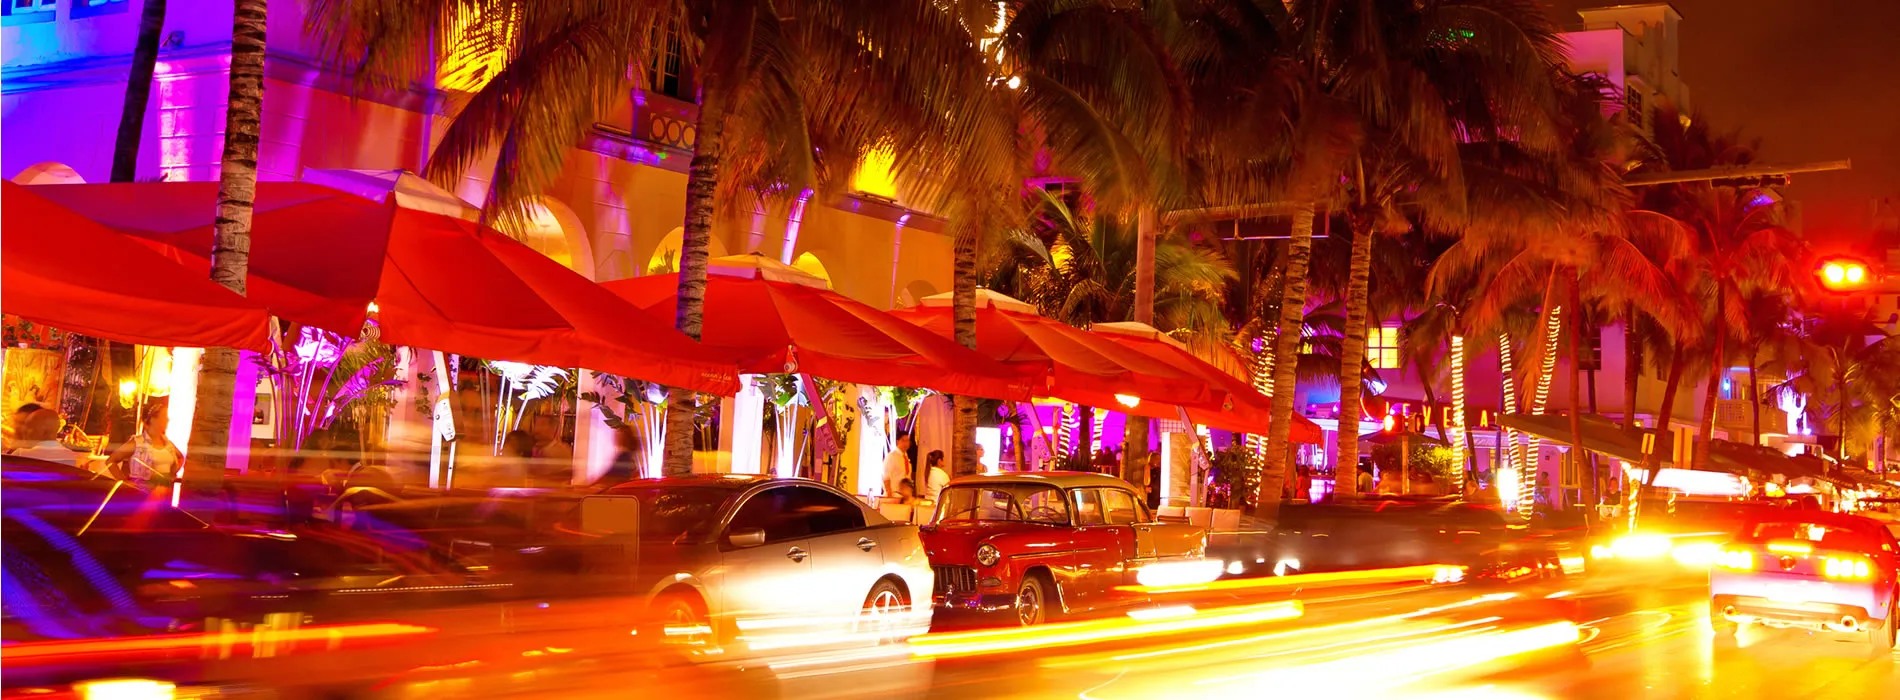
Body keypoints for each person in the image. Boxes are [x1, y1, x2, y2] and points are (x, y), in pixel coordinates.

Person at [12, 409, 79, 466]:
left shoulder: (21, 455)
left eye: (29, 427)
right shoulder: (70, 457)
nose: (24, 431)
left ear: (43, 431)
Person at [883, 430, 914, 498]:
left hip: (905, 497)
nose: (906, 443)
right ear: (898, 441)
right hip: (893, 495)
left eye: (908, 441)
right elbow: (886, 477)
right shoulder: (891, 457)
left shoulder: (906, 457)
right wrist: (889, 494)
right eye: (904, 441)